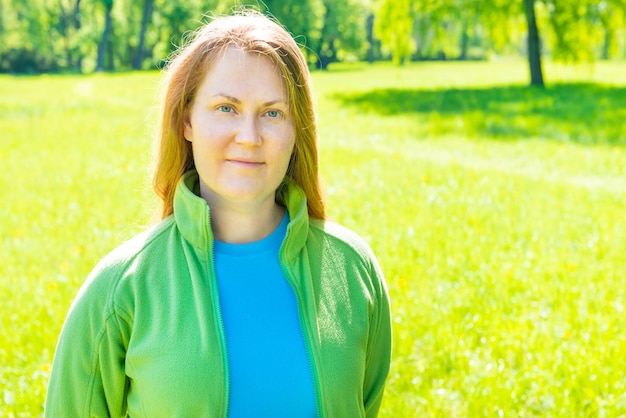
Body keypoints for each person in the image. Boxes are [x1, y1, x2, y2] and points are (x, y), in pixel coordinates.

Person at [45, 10, 392, 418]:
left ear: (297, 130)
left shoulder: (353, 270)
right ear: (187, 119)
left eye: (272, 113)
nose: (249, 137)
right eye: (226, 108)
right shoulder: (121, 288)